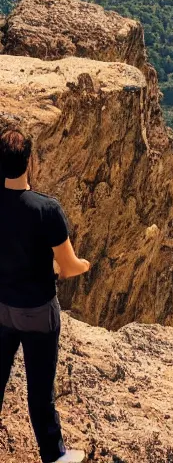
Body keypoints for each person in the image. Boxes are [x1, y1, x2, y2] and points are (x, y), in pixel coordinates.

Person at [0, 128, 90, 463]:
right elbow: (68, 268)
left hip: (1, 308)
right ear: (30, 161)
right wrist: (84, 263)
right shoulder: (46, 210)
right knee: (40, 391)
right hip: (37, 311)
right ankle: (54, 456)